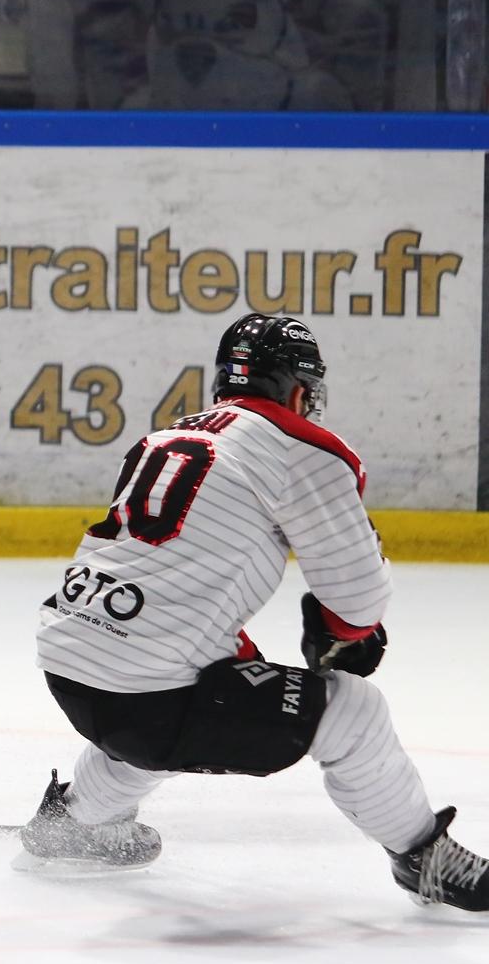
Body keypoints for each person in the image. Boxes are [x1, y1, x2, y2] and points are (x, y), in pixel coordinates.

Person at [25, 313, 488, 912]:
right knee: (354, 713)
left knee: (192, 691)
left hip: (69, 662)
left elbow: (160, 582)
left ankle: (72, 822)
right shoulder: (304, 449)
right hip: (149, 694)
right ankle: (425, 862)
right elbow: (356, 601)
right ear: (296, 388)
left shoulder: (167, 437)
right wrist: (342, 635)